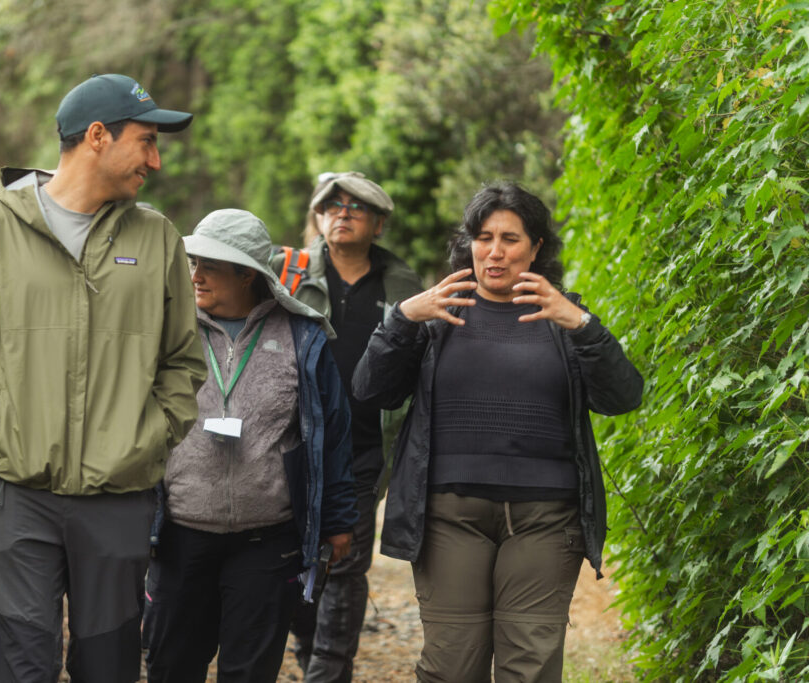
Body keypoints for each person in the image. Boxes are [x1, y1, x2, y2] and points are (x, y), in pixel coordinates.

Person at [0, 74, 207, 682]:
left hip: (118, 496)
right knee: (22, 665)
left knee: (109, 665)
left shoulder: (156, 238)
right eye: (146, 142)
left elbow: (183, 361)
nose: (155, 161)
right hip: (17, 492)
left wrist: (147, 435)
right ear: (97, 137)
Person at [352, 182, 644, 682]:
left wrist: (584, 325)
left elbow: (623, 397)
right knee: (452, 665)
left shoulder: (564, 316)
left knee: (529, 667)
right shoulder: (436, 314)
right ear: (468, 244)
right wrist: (402, 319)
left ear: (536, 248)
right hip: (449, 517)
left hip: (546, 519)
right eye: (483, 237)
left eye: (511, 238)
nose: (495, 251)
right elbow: (369, 390)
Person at [143, 208, 357, 682]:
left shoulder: (303, 337)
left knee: (249, 672)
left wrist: (339, 520)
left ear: (247, 273)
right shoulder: (167, 327)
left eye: (210, 266)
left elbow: (333, 434)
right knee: (170, 666)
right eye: (192, 262)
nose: (195, 275)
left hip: (267, 541)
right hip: (180, 534)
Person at [271, 172, 423, 681]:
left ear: (378, 223)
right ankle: (308, 641)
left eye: (357, 206)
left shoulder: (404, 288)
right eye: (332, 205)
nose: (343, 212)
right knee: (286, 559)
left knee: (345, 564)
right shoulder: (286, 274)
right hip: (289, 445)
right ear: (317, 218)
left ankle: (328, 672)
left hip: (363, 452)